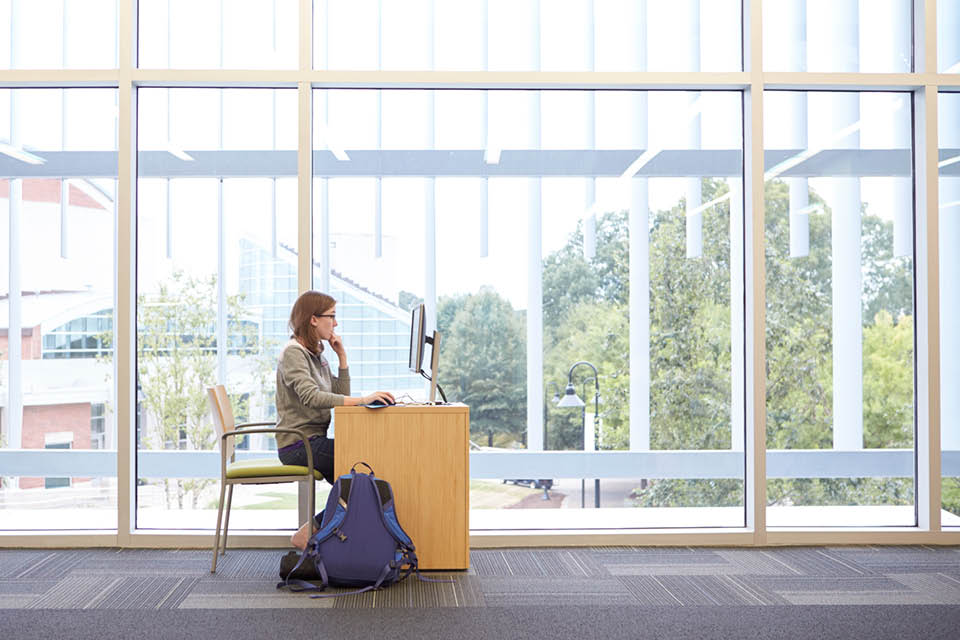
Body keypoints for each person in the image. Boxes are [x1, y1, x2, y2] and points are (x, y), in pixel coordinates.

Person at [276, 290, 394, 549]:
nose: (336, 323)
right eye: (332, 316)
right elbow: (312, 397)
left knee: (360, 480)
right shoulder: (294, 352)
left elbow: (339, 396)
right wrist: (364, 399)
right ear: (313, 319)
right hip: (298, 445)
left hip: (313, 441)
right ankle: (310, 533)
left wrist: (342, 357)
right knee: (362, 475)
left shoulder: (317, 355)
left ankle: (323, 534)